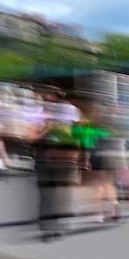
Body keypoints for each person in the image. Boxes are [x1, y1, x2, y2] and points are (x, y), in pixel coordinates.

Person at [33, 87, 81, 241]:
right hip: (52, 158)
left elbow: (78, 135)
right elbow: (32, 137)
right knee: (53, 194)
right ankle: (51, 227)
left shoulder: (45, 111)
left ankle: (53, 227)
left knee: (56, 194)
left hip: (62, 158)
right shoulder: (41, 112)